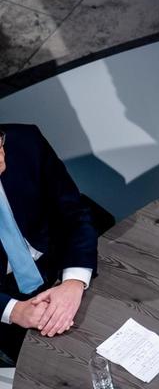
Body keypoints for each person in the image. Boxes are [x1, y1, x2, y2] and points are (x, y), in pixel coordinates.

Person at [0, 124, 98, 364]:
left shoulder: (26, 141)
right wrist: (14, 310)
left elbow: (74, 213)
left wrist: (74, 281)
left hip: (56, 267)